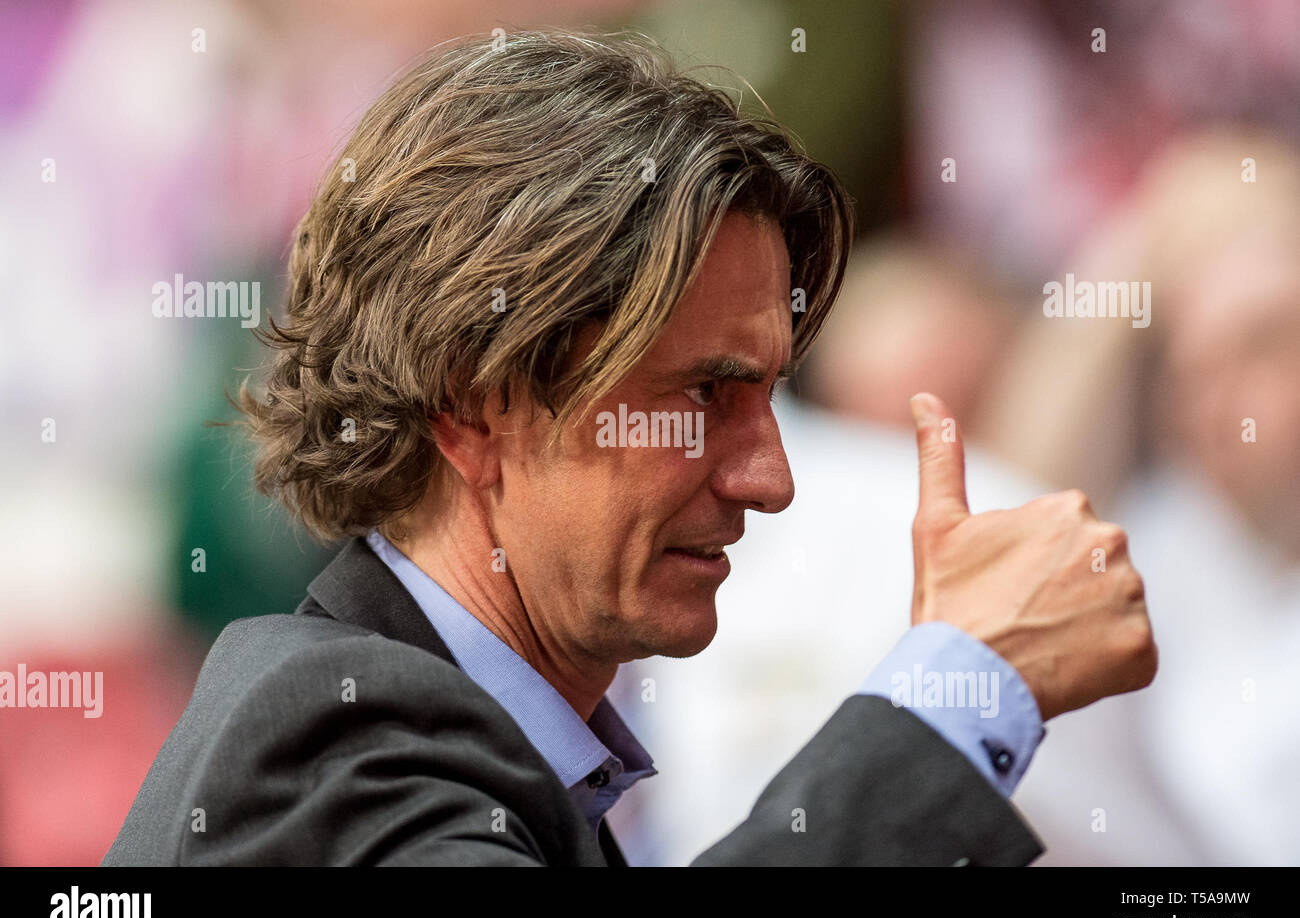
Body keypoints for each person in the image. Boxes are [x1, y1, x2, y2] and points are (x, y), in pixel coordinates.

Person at [103, 30, 1155, 867]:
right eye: (702, 394)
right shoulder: (325, 743)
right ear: (476, 408)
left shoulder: (481, 753)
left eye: (770, 394)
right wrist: (963, 689)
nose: (771, 480)